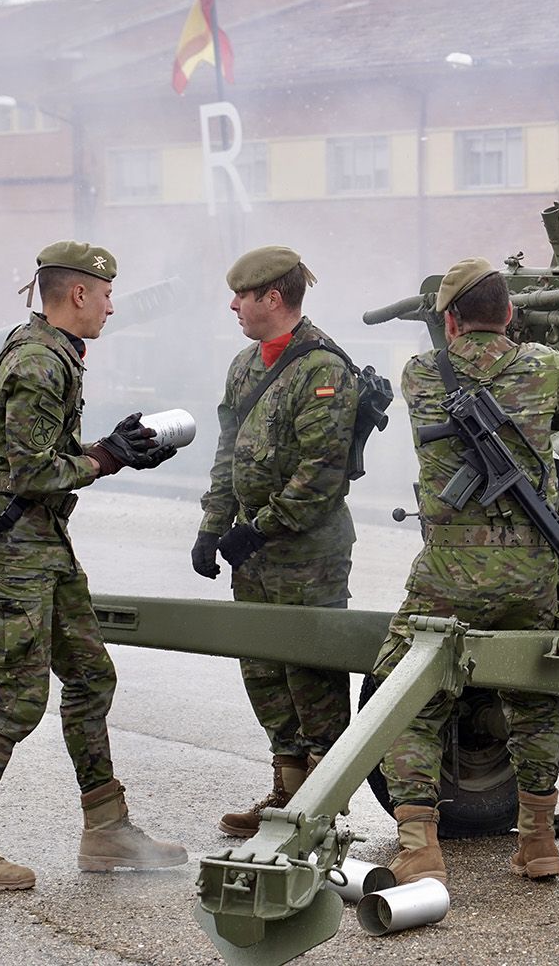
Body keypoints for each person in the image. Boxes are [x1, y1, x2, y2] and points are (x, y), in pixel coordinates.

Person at [0, 241, 185, 890]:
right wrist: (107, 456)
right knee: (18, 696)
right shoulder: (41, 362)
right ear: (77, 294)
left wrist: (113, 450)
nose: (110, 305)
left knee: (91, 676)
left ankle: (105, 828)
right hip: (16, 551)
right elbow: (30, 471)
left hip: (42, 547)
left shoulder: (52, 350)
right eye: (104, 293)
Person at [371, 257, 559, 887]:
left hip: (449, 571)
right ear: (511, 313)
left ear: (448, 319)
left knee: (407, 695)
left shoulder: (420, 374)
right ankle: (538, 838)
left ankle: (418, 845)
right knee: (537, 696)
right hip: (530, 568)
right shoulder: (547, 368)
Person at [193, 245, 360, 837]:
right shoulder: (245, 366)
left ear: (273, 297)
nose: (233, 305)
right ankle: (286, 793)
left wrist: (254, 529)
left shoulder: (323, 369)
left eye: (243, 295)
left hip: (306, 555)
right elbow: (227, 453)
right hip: (253, 554)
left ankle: (320, 809)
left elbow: (320, 474)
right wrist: (212, 526)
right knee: (264, 672)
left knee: (310, 677)